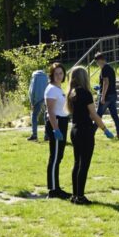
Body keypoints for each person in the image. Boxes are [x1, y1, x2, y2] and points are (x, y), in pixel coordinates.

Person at [66, 66, 114, 205]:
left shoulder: (72, 93)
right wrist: (104, 129)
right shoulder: (85, 93)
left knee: (77, 163)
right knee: (84, 164)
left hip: (74, 130)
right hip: (85, 131)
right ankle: (80, 197)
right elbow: (93, 114)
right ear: (84, 77)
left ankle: (75, 195)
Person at [45, 62, 71, 199]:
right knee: (54, 157)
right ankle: (53, 190)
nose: (59, 76)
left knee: (58, 156)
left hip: (63, 121)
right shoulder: (51, 89)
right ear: (52, 75)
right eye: (56, 74)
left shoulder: (59, 88)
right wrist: (55, 129)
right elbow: (50, 111)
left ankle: (56, 187)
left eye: (61, 73)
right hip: (56, 123)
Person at [95, 52, 119, 140]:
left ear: (101, 60)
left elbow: (106, 83)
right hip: (113, 94)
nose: (97, 64)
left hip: (107, 96)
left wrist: (102, 97)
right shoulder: (110, 68)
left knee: (98, 115)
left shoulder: (104, 69)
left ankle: (90, 133)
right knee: (114, 115)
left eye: (97, 62)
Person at [27, 69, 49, 141]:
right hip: (46, 98)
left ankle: (34, 135)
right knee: (46, 117)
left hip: (37, 100)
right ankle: (47, 135)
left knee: (34, 116)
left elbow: (31, 90)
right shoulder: (46, 77)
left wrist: (32, 102)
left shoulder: (34, 77)